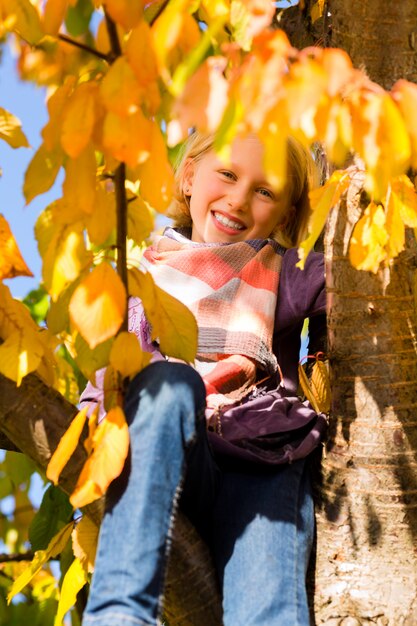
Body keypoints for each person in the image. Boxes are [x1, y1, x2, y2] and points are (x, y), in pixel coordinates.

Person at [80, 131, 327, 626]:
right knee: (168, 385)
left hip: (260, 458)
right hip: (169, 450)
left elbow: (360, 281)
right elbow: (107, 377)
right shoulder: (141, 276)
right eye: (229, 174)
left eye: (265, 191)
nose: (239, 198)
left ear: (284, 214)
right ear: (190, 176)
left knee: (267, 608)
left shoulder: (283, 270)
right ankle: (119, 613)